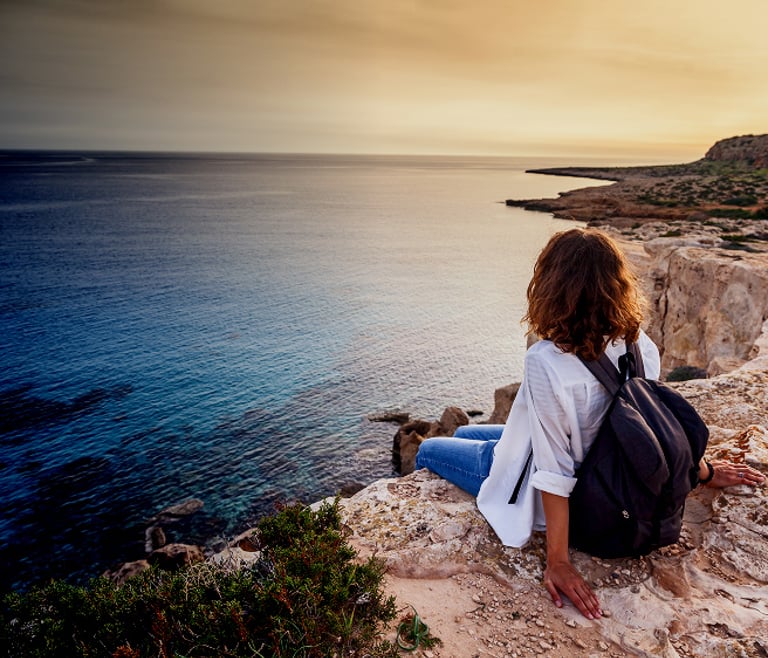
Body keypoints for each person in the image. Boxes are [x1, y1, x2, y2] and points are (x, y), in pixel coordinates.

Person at [415, 227, 765, 620]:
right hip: (608, 465)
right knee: (464, 431)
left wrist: (559, 561)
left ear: (551, 287)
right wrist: (705, 471)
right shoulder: (639, 344)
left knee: (428, 449)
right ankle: (477, 447)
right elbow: (655, 424)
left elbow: (554, 469)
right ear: (616, 286)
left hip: (578, 491)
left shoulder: (546, 360)